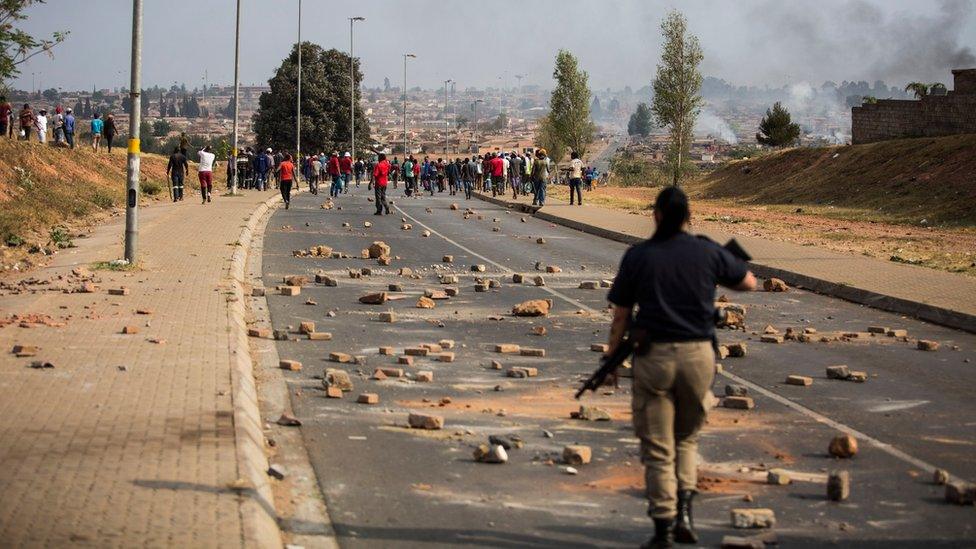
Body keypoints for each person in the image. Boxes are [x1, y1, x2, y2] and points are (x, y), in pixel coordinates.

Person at [606, 187, 756, 549]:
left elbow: (621, 315)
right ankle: (687, 514)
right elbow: (749, 282)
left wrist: (611, 360)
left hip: (654, 357)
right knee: (687, 438)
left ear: (656, 215)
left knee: (658, 448)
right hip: (699, 356)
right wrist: (722, 261)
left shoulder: (639, 255)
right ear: (689, 216)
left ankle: (663, 530)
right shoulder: (706, 250)